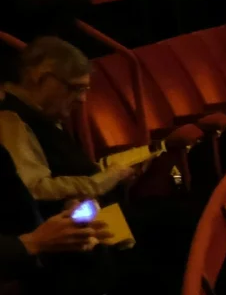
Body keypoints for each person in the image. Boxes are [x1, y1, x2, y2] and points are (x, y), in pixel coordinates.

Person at [3, 37, 133, 210]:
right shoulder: (10, 118)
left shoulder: (43, 115)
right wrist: (103, 180)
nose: (82, 99)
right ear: (40, 78)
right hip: (71, 228)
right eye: (75, 88)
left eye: (85, 90)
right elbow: (33, 189)